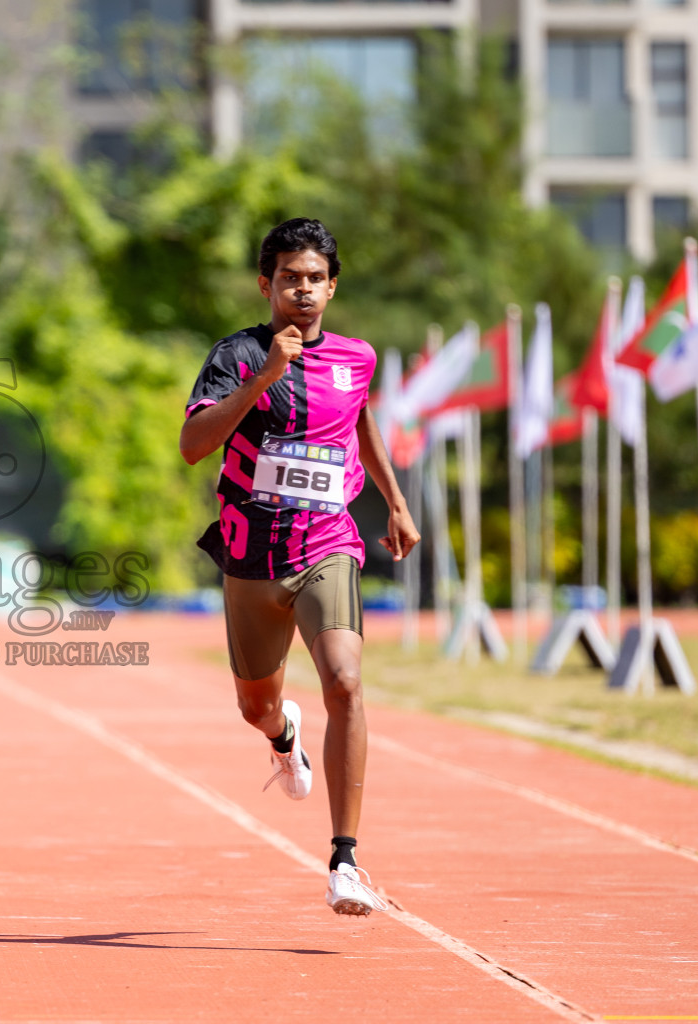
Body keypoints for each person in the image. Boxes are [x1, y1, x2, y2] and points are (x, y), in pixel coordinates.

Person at [179, 218, 419, 916]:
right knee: (255, 705)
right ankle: (284, 738)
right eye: (290, 278)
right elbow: (195, 445)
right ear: (267, 285)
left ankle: (345, 861)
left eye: (315, 278)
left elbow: (360, 419)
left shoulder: (357, 357)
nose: (303, 290)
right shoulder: (236, 354)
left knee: (345, 681)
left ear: (332, 286)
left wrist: (395, 501)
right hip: (251, 554)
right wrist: (265, 377)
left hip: (327, 544)